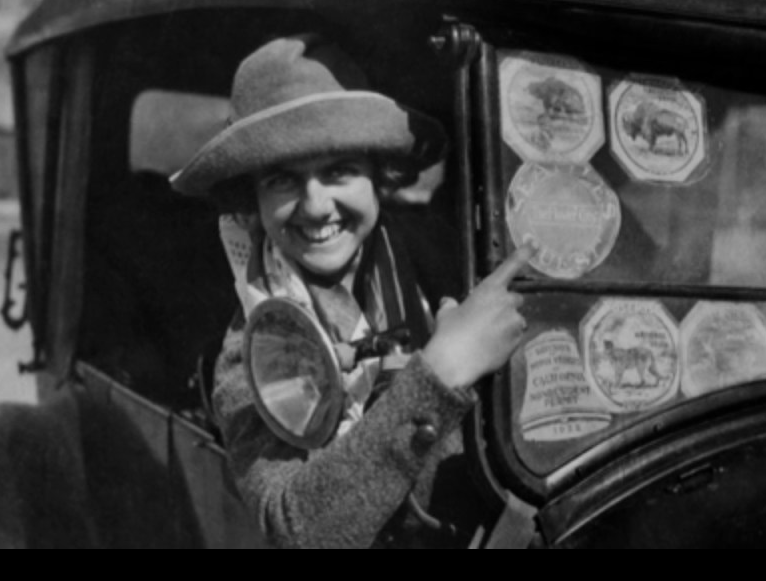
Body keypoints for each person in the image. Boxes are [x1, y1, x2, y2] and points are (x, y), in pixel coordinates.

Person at [171, 34, 531, 549]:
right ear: (252, 196)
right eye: (282, 180)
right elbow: (295, 525)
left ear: (378, 177)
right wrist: (442, 371)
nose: (316, 207)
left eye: (339, 171)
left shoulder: (436, 256)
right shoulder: (252, 350)